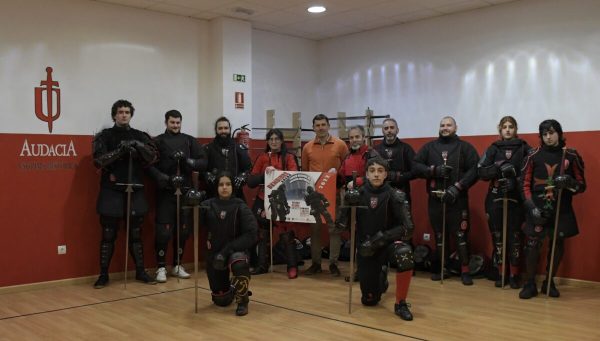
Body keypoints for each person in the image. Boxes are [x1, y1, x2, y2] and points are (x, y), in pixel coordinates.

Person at [337, 157, 416, 320]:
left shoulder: (395, 195)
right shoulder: (357, 194)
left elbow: (408, 229)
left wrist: (380, 239)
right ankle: (381, 276)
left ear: (386, 174)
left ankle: (401, 303)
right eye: (372, 171)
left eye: (380, 171)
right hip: (365, 249)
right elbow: (340, 226)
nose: (376, 175)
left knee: (405, 254)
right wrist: (346, 204)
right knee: (370, 300)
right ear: (366, 173)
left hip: (387, 244)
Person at [92, 99, 158, 288]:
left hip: (134, 188)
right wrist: (120, 151)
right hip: (111, 189)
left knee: (135, 234)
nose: (123, 115)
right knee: (108, 234)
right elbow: (98, 161)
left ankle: (140, 271)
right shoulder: (104, 136)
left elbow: (152, 157)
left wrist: (138, 145)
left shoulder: (140, 135)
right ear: (114, 115)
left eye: (127, 112)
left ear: (131, 114)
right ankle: (103, 275)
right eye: (120, 112)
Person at [519, 119, 585, 299]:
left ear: (559, 133)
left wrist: (570, 183)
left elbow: (581, 185)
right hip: (537, 208)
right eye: (544, 134)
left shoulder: (571, 156)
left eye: (552, 133)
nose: (548, 137)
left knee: (557, 245)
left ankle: (549, 281)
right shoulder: (532, 156)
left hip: (561, 210)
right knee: (532, 245)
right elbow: (524, 184)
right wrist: (531, 208)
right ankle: (530, 283)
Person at [413, 116, 479, 285]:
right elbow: (415, 165)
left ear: (456, 127)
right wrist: (433, 170)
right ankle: (444, 268)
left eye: (449, 125)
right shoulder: (429, 147)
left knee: (460, 235)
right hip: (436, 199)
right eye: (442, 125)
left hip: (458, 199)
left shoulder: (465, 147)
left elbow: (475, 170)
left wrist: (458, 187)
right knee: (440, 235)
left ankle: (465, 270)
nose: (445, 128)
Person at [148, 110, 206, 283]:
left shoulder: (189, 141)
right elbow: (149, 165)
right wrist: (165, 178)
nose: (175, 125)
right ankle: (160, 267)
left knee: (183, 230)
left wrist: (189, 161)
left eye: (178, 122)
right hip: (166, 192)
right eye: (172, 122)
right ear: (166, 122)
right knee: (163, 232)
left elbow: (203, 161)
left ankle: (177, 265)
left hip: (185, 191)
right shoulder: (157, 141)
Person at [478, 116, 530, 288]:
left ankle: (515, 274)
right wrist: (497, 167)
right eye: (504, 127)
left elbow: (532, 171)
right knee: (498, 237)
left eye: (511, 127)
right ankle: (502, 273)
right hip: (495, 197)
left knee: (515, 237)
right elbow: (481, 171)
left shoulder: (524, 148)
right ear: (499, 129)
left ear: (516, 129)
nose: (508, 130)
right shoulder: (493, 148)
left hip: (516, 197)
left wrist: (515, 180)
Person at [200, 172, 258, 315]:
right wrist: (191, 205)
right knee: (222, 300)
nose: (224, 187)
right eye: (221, 184)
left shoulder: (240, 206)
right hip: (215, 255)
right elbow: (191, 225)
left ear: (232, 187)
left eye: (228, 184)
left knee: (239, 263)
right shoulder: (207, 205)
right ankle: (233, 287)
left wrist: (227, 250)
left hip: (235, 251)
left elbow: (251, 234)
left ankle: (243, 301)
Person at [247, 128, 299, 278]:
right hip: (263, 198)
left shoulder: (289, 157)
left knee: (287, 233)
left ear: (282, 141)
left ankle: (292, 266)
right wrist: (265, 176)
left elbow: (294, 177)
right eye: (271, 139)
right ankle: (262, 265)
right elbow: (250, 181)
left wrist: (275, 174)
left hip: (283, 200)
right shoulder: (262, 157)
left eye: (277, 139)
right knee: (262, 233)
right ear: (268, 142)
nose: (274, 142)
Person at [301, 114, 349, 276]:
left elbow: (346, 166)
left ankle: (333, 264)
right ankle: (316, 263)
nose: (320, 127)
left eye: (323, 124)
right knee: (314, 230)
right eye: (317, 125)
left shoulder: (340, 145)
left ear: (328, 126)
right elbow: (305, 171)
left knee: (334, 229)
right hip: (315, 196)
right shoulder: (307, 147)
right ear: (313, 128)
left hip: (334, 193)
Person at [203, 116, 252, 200]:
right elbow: (201, 169)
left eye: (226, 128)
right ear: (216, 130)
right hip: (213, 194)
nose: (223, 131)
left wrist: (242, 177)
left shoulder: (239, 148)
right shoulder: (208, 149)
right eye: (220, 128)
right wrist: (207, 175)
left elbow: (248, 168)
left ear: (230, 129)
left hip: (235, 194)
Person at [373, 118, 416, 201]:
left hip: (402, 193)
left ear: (397, 130)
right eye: (386, 128)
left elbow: (416, 171)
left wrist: (399, 176)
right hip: (381, 193)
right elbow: (370, 172)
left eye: (392, 128)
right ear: (383, 131)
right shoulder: (376, 150)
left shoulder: (406, 149)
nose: (389, 130)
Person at [337, 125, 379, 190]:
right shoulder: (348, 155)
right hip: (350, 196)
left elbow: (377, 176)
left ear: (363, 137)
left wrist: (358, 181)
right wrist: (333, 175)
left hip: (368, 195)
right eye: (351, 137)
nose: (354, 140)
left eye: (357, 137)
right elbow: (341, 178)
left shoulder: (372, 154)